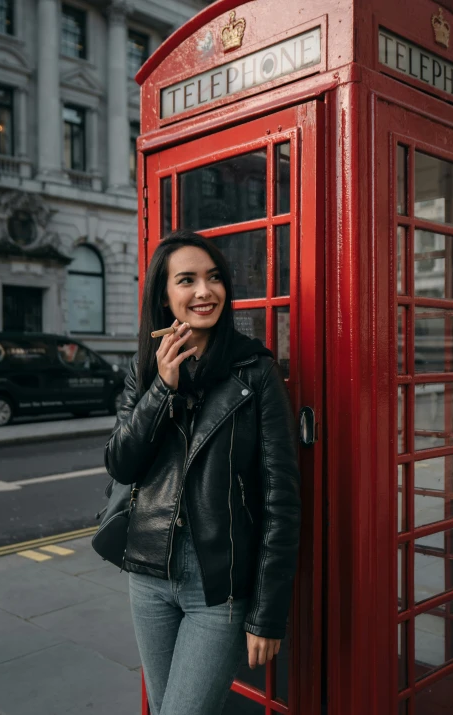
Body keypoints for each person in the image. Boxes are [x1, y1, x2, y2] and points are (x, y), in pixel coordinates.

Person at [104, 229, 301, 715]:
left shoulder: (254, 371)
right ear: (164, 294)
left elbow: (281, 498)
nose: (203, 291)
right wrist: (162, 388)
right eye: (186, 280)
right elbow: (121, 463)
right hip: (148, 574)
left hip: (217, 581)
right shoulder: (145, 368)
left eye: (213, 278)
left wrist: (267, 613)